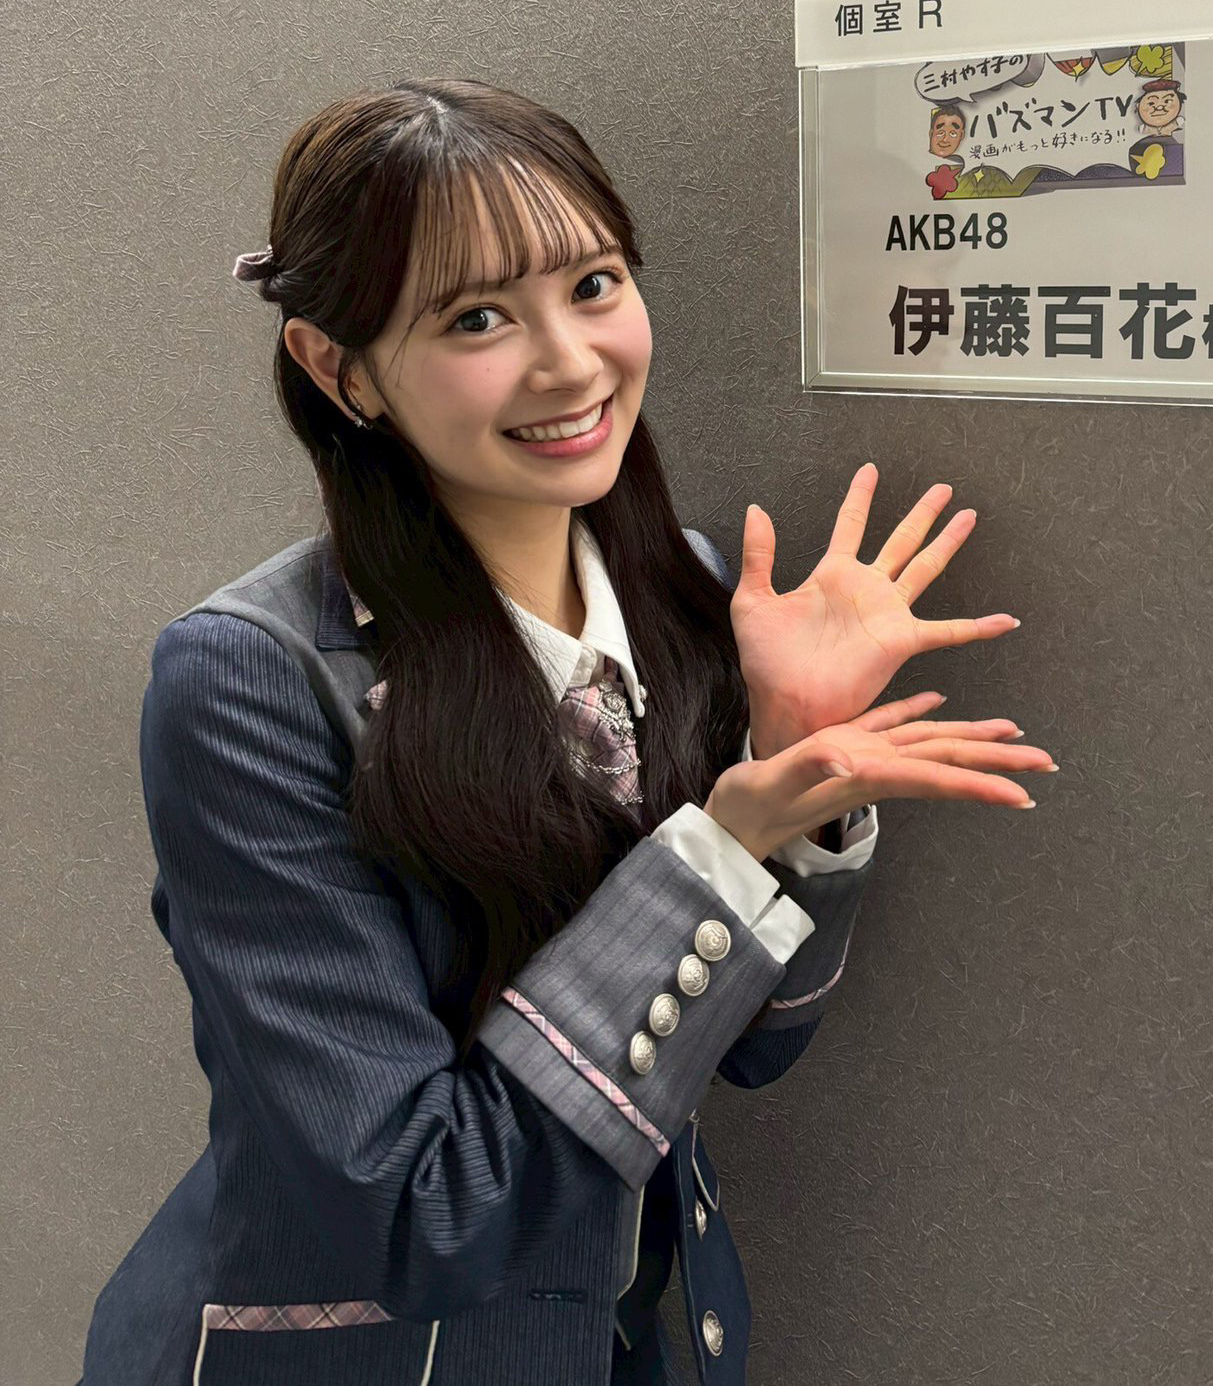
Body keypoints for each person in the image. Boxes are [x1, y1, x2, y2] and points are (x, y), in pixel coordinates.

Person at [76, 78, 1055, 1386]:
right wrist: (721, 850)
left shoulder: (694, 590)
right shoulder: (246, 679)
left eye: (593, 285)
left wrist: (790, 764)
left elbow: (758, 1048)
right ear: (337, 367)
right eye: (476, 317)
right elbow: (420, 1205)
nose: (572, 362)